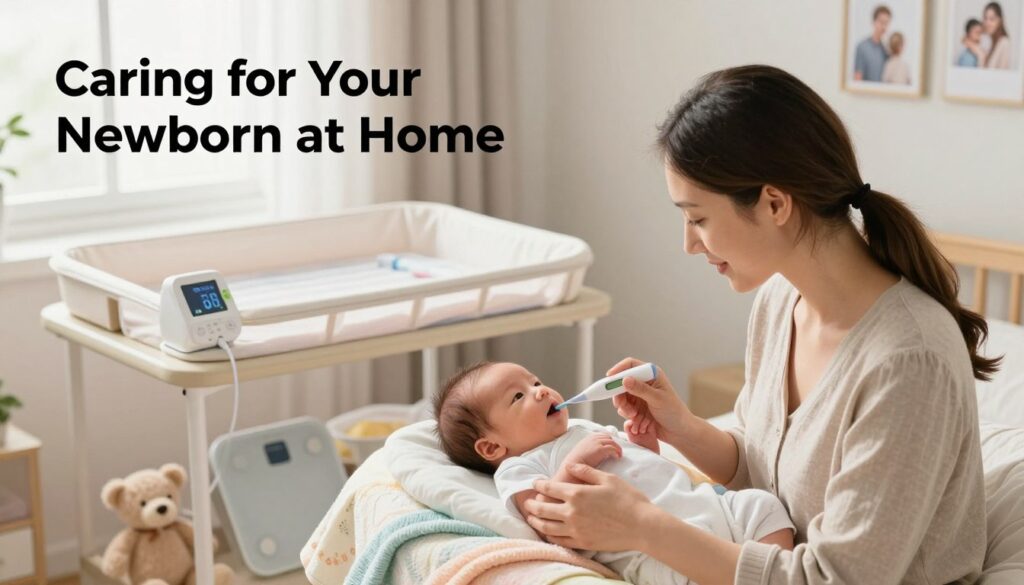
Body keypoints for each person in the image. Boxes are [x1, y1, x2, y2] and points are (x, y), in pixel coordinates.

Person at [522, 65, 997, 585]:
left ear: (775, 203)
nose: (689, 244)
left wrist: (640, 525)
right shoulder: (780, 300)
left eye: (698, 218)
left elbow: (833, 579)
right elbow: (767, 473)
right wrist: (682, 426)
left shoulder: (910, 360)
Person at [433, 361, 796, 585]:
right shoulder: (518, 468)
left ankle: (778, 573)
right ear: (492, 447)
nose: (540, 391)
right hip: (652, 552)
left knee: (762, 505)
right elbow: (546, 515)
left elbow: (646, 469)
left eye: (535, 381)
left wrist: (644, 443)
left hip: (705, 507)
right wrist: (578, 462)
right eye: (518, 397)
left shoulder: (583, 428)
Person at [853, 5, 891, 81]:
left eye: (886, 23)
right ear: (874, 22)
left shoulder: (887, 51)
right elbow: (857, 77)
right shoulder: (862, 47)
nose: (884, 27)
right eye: (881, 22)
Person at [983, 2, 1012, 69]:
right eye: (985, 18)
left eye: (992, 19)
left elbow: (1002, 75)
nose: (987, 23)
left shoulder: (1004, 42)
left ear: (999, 21)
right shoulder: (990, 42)